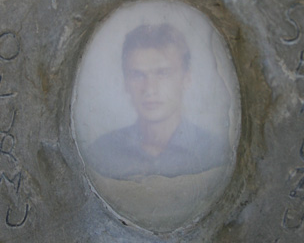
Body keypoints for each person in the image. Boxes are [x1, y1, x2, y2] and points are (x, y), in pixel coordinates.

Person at [85, 23, 229, 180]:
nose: (149, 89)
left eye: (163, 73)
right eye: (137, 75)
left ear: (186, 79)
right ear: (126, 82)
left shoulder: (214, 152)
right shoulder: (101, 152)